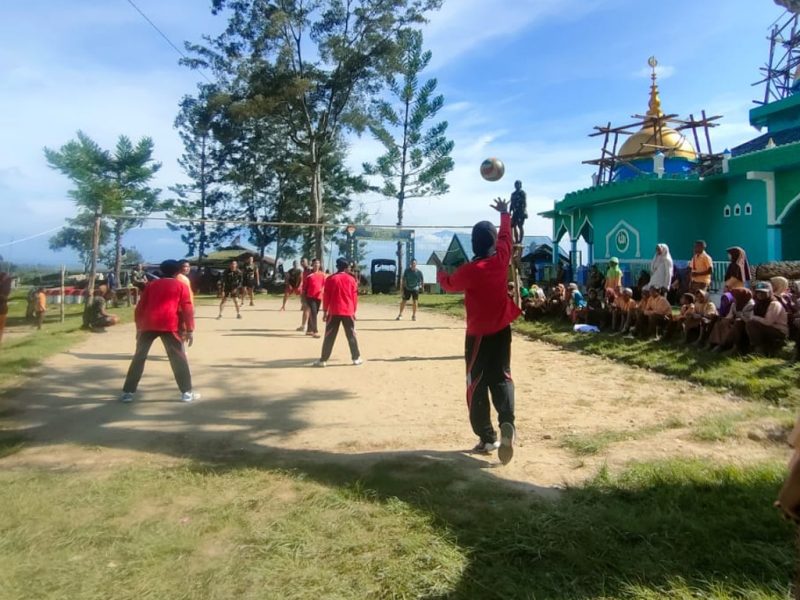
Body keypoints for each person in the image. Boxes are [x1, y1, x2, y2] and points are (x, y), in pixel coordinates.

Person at [437, 197, 521, 465]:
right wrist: (505, 213)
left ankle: (487, 437)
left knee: (476, 384)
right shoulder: (500, 261)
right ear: (493, 241)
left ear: (473, 244)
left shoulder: (470, 270)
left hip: (478, 335)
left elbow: (449, 284)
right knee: (503, 376)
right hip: (502, 330)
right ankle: (507, 421)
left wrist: (439, 273)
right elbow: (506, 239)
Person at [120, 259, 198, 403]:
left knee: (139, 358)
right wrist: (190, 329)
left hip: (148, 324)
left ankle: (128, 393)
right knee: (178, 359)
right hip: (170, 325)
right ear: (177, 271)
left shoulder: (151, 285)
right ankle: (186, 392)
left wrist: (138, 327)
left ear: (161, 271)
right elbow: (187, 308)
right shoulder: (181, 286)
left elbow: (140, 307)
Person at [314, 257, 362, 367]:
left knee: (329, 336)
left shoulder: (330, 279)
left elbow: (326, 297)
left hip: (334, 311)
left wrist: (325, 311)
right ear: (346, 268)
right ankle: (356, 358)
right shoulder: (352, 279)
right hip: (348, 311)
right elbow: (355, 298)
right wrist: (354, 311)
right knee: (351, 335)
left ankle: (323, 360)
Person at [746, 281, 788, 356]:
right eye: (758, 292)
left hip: (778, 331)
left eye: (763, 292)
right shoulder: (758, 304)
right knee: (745, 323)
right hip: (767, 328)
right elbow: (751, 317)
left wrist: (754, 317)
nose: (760, 294)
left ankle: (759, 350)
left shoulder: (774, 304)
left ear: (770, 292)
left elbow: (768, 322)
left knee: (752, 324)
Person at [303, 258, 325, 338]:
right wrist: (304, 299)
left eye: (318, 263)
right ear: (312, 264)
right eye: (315, 263)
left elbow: (324, 285)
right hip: (310, 297)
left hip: (318, 297)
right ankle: (315, 331)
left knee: (314, 313)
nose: (316, 265)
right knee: (313, 313)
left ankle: (309, 329)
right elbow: (304, 288)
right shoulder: (309, 275)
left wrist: (322, 290)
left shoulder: (322, 275)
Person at [297, 257, 311, 331]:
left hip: (309, 292)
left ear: (307, 262)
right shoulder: (304, 270)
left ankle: (305, 326)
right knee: (305, 309)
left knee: (306, 309)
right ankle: (303, 325)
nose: (302, 263)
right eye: (301, 261)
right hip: (305, 291)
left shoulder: (309, 270)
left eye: (303, 261)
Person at [0, 271, 10, 345]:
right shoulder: (5, 286)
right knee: (1, 327)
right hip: (3, 309)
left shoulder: (5, 286)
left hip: (3, 309)